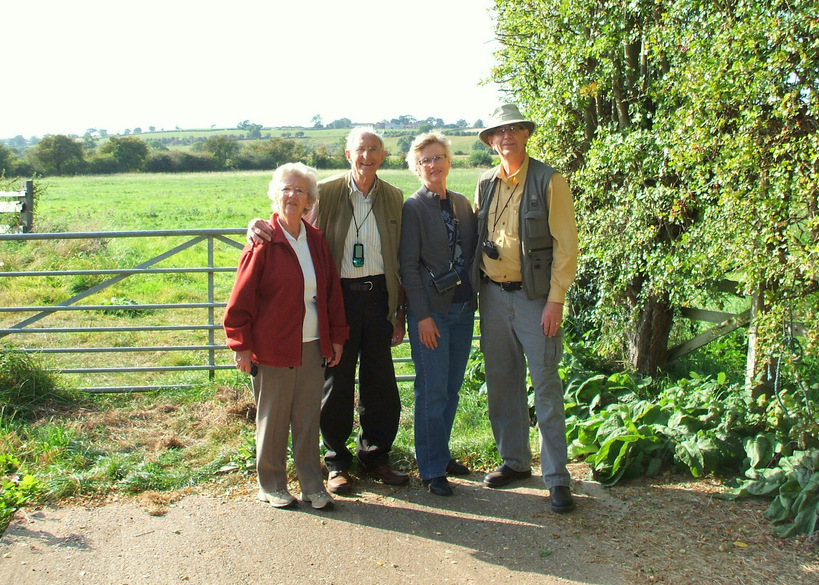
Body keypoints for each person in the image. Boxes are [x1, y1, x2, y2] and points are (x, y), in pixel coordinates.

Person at [247, 127, 408, 494]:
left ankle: (377, 455)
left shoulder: (395, 197)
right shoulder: (329, 192)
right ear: (348, 154)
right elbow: (293, 223)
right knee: (336, 380)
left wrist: (399, 311)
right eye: (360, 149)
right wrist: (256, 225)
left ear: (383, 156)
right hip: (339, 296)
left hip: (380, 295)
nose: (367, 156)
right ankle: (336, 461)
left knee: (380, 381)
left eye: (374, 149)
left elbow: (402, 255)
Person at [471, 104, 579, 513]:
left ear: (526, 135)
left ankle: (556, 478)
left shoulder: (550, 181)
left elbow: (566, 246)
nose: (507, 136)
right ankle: (515, 462)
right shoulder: (485, 183)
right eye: (499, 131)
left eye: (514, 128)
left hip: (537, 300)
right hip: (493, 296)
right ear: (491, 140)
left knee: (546, 385)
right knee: (502, 380)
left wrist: (556, 299)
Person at [224, 162, 349, 511]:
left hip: (312, 346)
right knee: (273, 418)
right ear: (275, 195)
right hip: (272, 346)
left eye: (300, 190)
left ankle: (312, 484)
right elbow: (240, 300)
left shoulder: (317, 241)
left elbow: (330, 295)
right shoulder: (263, 241)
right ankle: (272, 484)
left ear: (309, 200)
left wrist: (336, 337)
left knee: (308, 418)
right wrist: (241, 347)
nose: (292, 195)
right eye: (286, 189)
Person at [398, 132, 478, 496]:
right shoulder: (413, 208)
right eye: (425, 160)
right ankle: (430, 469)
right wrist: (423, 316)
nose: (433, 164)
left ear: (449, 161)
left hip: (463, 310)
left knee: (451, 388)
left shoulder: (463, 204)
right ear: (417, 168)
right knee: (431, 391)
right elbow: (408, 267)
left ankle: (441, 456)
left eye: (439, 157)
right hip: (432, 314)